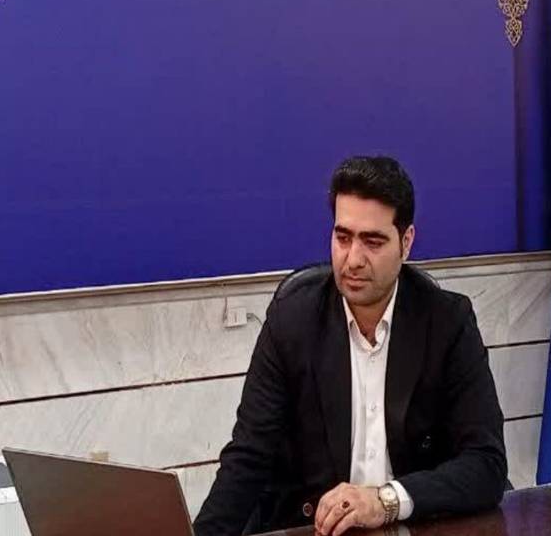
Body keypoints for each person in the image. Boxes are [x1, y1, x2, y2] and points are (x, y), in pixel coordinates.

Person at [194, 156, 508, 536]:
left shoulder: (447, 323)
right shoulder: (292, 322)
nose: (353, 259)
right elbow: (248, 457)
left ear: (406, 242)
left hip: (413, 528)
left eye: (372, 242)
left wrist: (386, 501)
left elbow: (486, 464)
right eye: (343, 238)